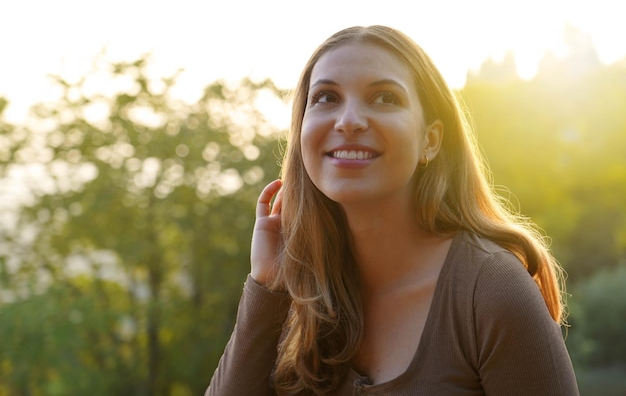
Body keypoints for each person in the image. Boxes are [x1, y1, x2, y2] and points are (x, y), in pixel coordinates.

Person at [206, 25, 580, 396]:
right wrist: (267, 286)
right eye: (326, 98)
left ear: (430, 140)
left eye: (384, 97)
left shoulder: (490, 291)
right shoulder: (296, 294)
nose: (348, 120)